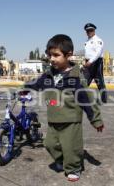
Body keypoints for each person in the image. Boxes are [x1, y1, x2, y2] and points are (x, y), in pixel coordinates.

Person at [25, 34, 104, 182]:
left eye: (56, 55)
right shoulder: (48, 75)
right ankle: (61, 161)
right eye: (49, 55)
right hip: (53, 119)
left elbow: (88, 100)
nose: (52, 58)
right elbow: (36, 84)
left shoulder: (76, 77)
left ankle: (73, 168)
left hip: (71, 121)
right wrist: (24, 88)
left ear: (69, 55)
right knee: (49, 144)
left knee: (71, 147)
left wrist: (96, 120)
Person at [83, 23, 107, 103]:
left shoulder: (98, 40)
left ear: (94, 31)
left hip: (96, 63)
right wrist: (86, 61)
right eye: (87, 31)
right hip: (88, 63)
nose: (89, 32)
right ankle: (82, 98)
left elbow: (98, 53)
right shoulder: (87, 41)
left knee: (99, 82)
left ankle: (104, 99)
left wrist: (90, 61)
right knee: (84, 81)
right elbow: (87, 53)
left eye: (91, 30)